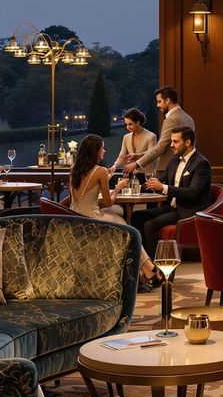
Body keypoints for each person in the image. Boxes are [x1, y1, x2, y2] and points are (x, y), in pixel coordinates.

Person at [68, 135, 157, 284]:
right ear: (95, 151)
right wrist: (117, 188)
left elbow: (83, 199)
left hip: (74, 217)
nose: (104, 150)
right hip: (92, 218)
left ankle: (147, 269)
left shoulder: (73, 169)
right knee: (124, 224)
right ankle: (148, 268)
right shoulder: (100, 171)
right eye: (102, 148)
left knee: (118, 216)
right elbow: (108, 202)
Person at [129, 127, 212, 259]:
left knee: (150, 225)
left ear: (188, 142)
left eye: (175, 142)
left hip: (188, 210)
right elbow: (160, 182)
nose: (171, 145)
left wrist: (163, 187)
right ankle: (140, 261)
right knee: (136, 216)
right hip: (172, 207)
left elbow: (193, 193)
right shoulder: (174, 161)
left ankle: (156, 266)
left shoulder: (201, 164)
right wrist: (131, 188)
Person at [127, 86, 195, 177]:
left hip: (168, 171)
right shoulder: (189, 118)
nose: (157, 105)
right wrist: (140, 155)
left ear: (167, 100)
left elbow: (161, 148)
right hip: (184, 168)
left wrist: (137, 163)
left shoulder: (171, 120)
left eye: (159, 101)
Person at [109, 108, 157, 174]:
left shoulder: (151, 136)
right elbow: (122, 156)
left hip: (147, 175)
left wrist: (137, 157)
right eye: (126, 124)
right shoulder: (126, 137)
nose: (128, 127)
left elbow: (151, 155)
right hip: (132, 175)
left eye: (130, 124)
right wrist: (114, 166)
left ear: (138, 122)